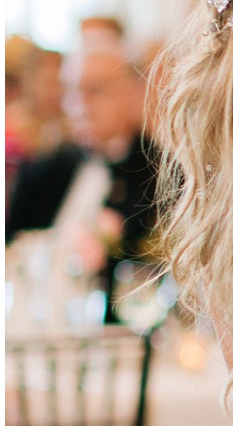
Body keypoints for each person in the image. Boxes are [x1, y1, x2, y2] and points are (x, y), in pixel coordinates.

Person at [6, 43, 161, 275]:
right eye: (71, 91)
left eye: (95, 89)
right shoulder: (43, 170)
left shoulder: (159, 170)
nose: (81, 104)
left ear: (131, 93)